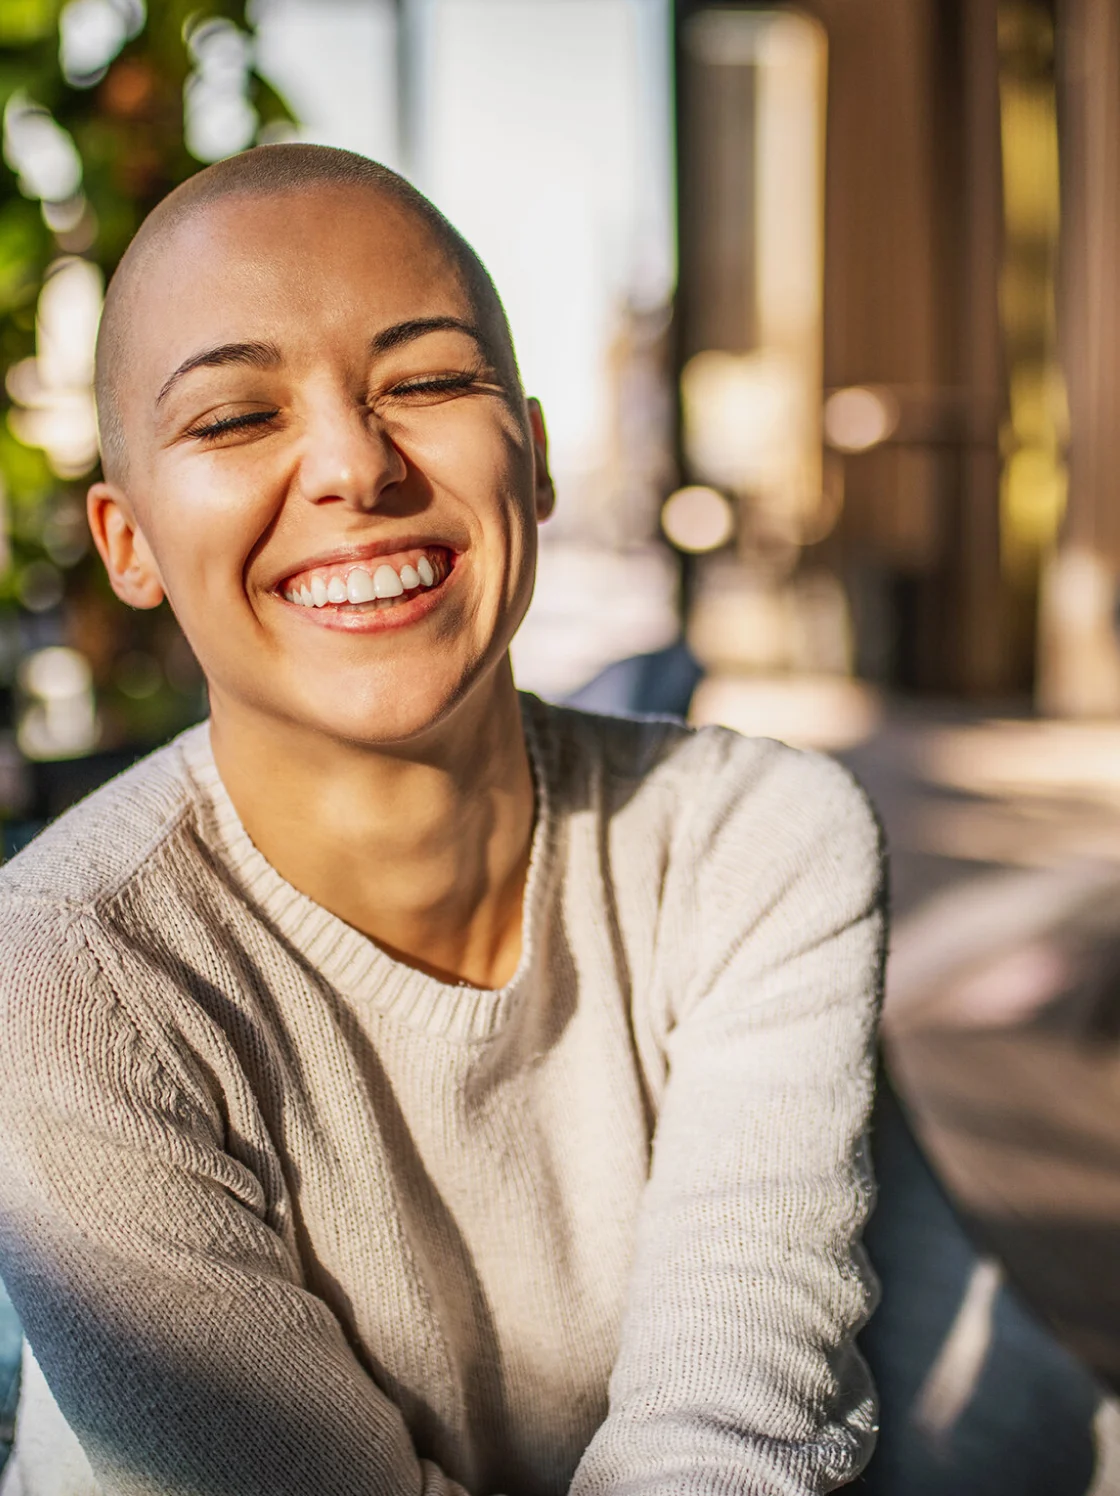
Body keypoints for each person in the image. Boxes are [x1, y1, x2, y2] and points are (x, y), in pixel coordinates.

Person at [0, 144, 885, 1496]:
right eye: (236, 419)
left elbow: (734, 1438)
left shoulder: (753, 842)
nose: (355, 465)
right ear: (126, 544)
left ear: (529, 460)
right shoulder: (63, 976)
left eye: (425, 382)